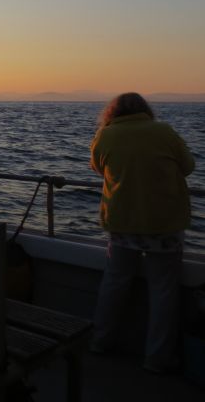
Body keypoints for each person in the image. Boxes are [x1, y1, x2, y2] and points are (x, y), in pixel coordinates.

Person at [89, 93, 194, 373]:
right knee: (163, 291)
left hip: (122, 223)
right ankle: (157, 358)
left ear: (113, 112)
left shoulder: (106, 135)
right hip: (164, 224)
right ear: (146, 110)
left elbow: (97, 167)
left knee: (114, 283)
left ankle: (100, 341)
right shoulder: (164, 132)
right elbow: (189, 166)